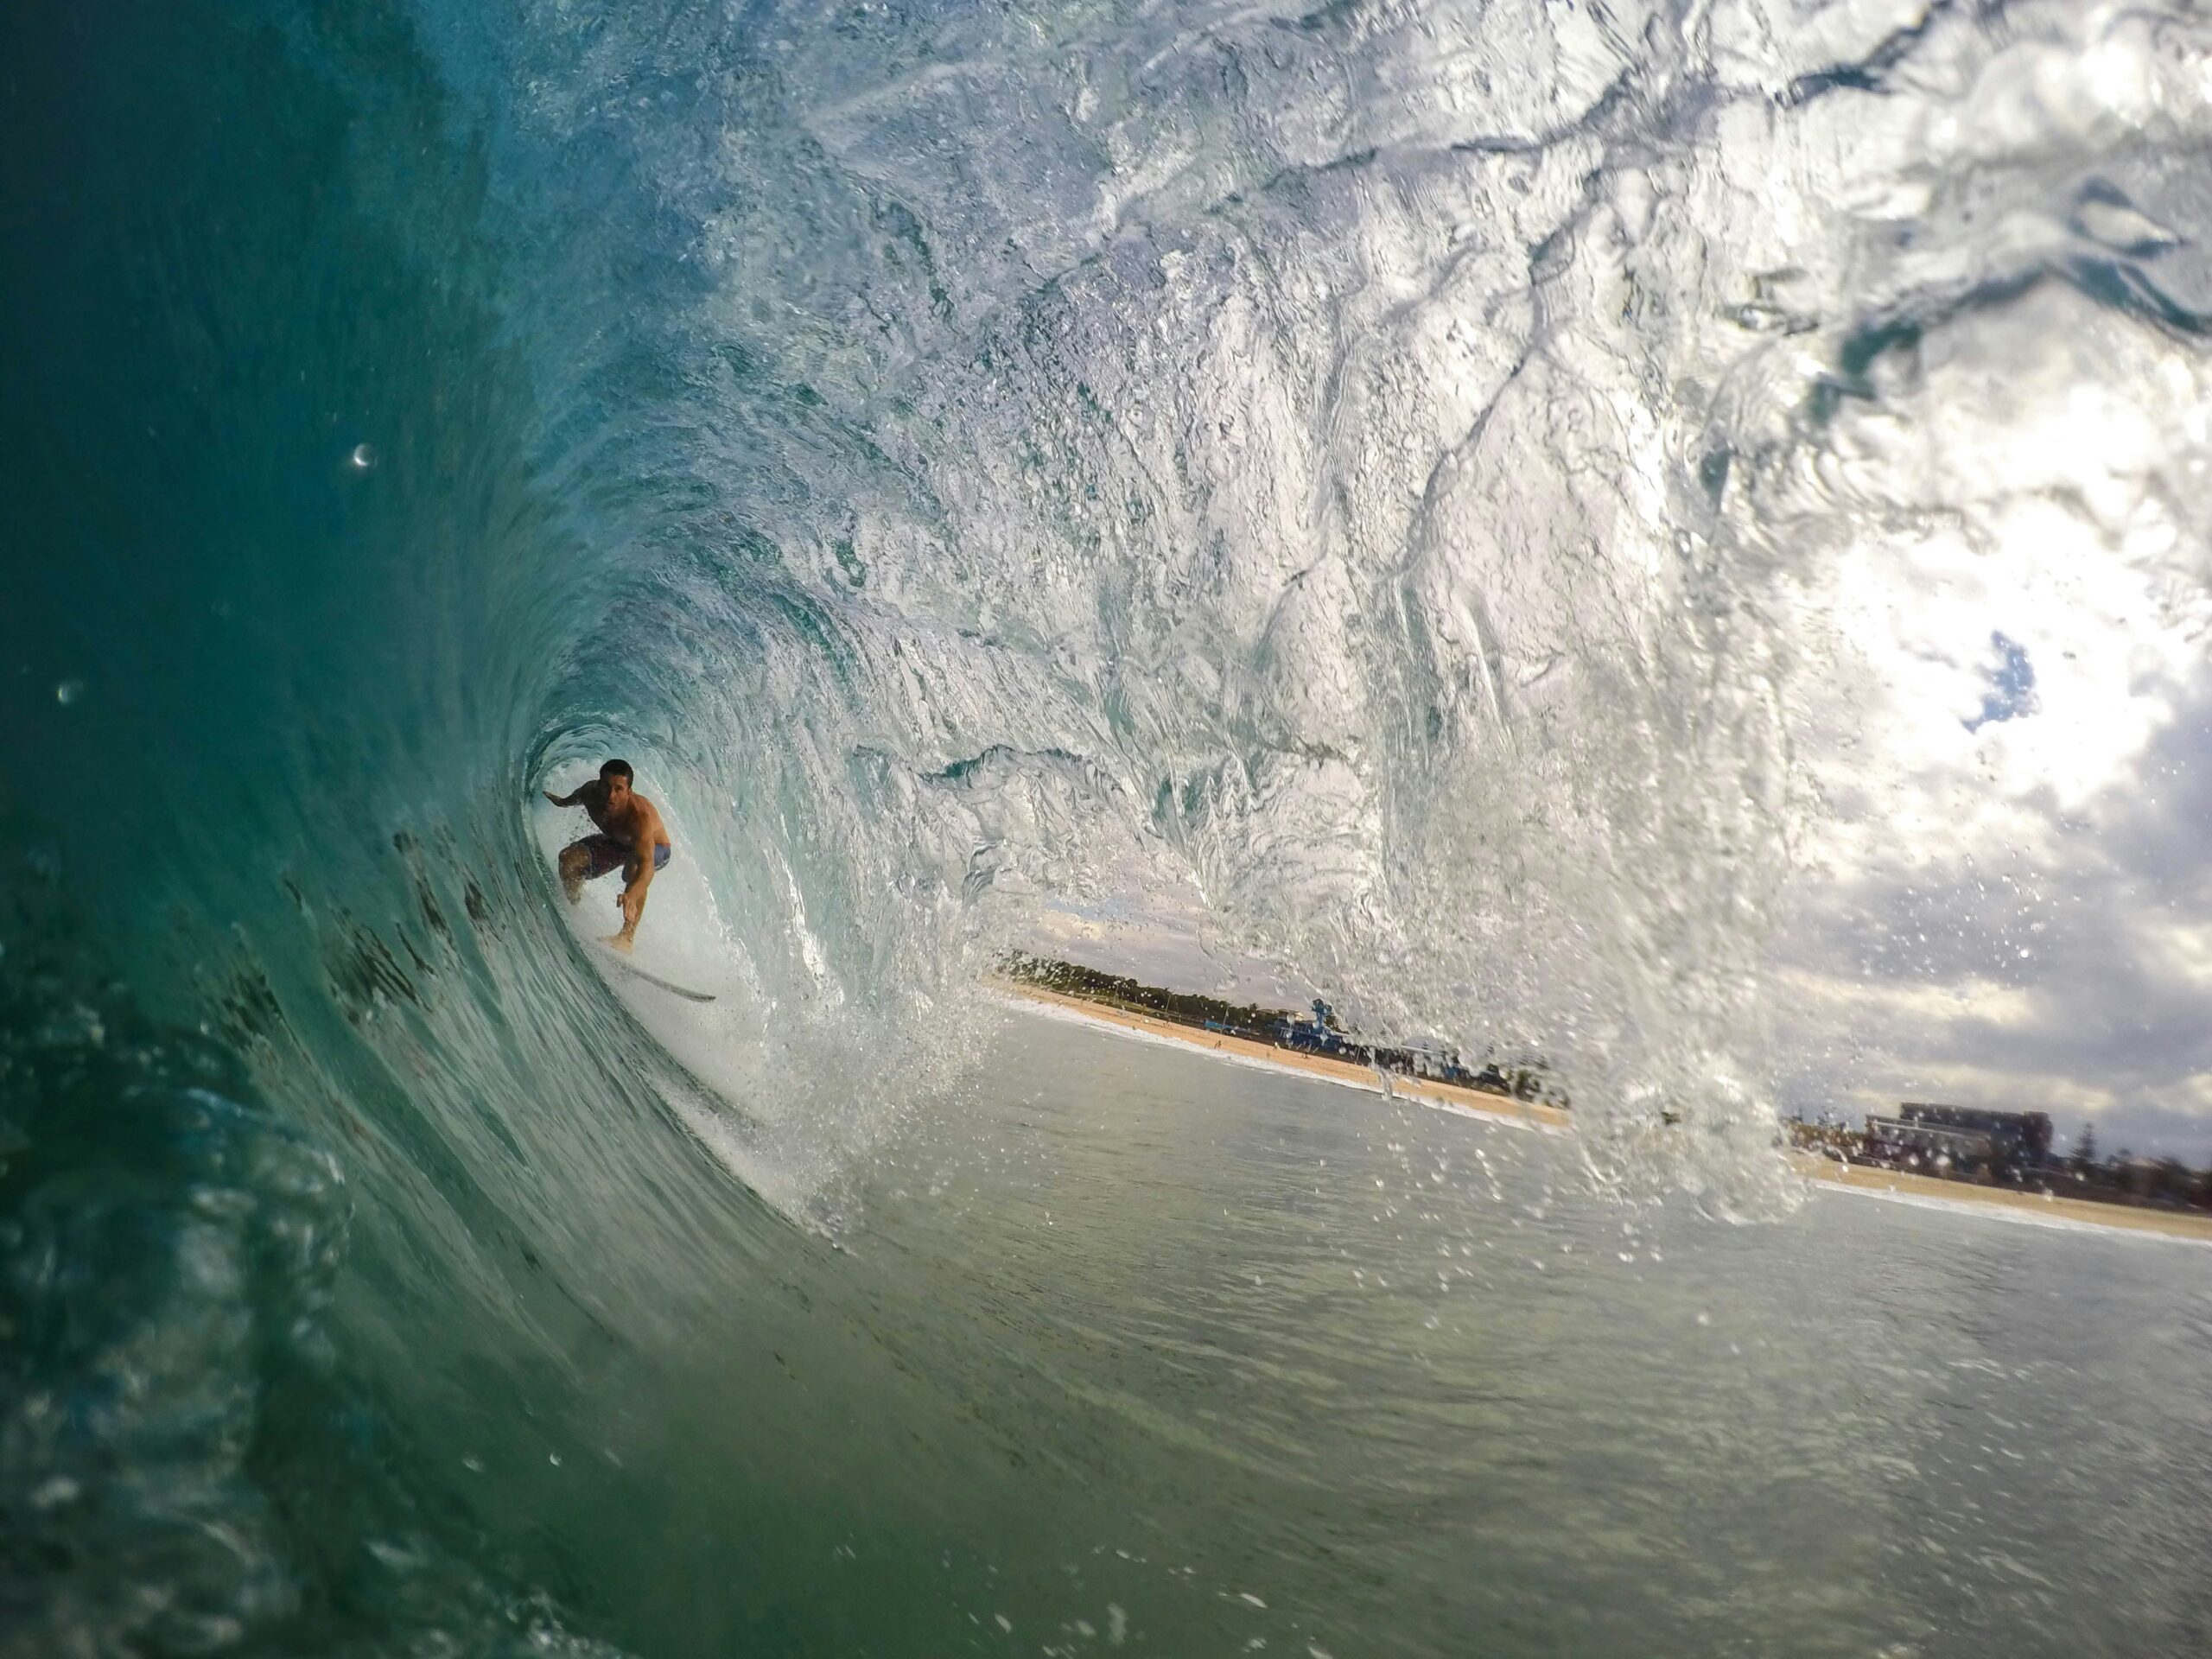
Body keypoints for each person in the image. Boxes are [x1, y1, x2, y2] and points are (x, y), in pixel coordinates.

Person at [543, 760, 673, 953]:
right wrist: (560, 802)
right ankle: (574, 904)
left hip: (657, 849)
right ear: (598, 783)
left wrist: (632, 895)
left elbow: (646, 865)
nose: (610, 795)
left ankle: (626, 937)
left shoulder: (639, 817)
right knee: (568, 859)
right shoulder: (589, 793)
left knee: (633, 869)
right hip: (619, 843)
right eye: (606, 786)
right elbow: (572, 799)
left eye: (619, 789)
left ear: (629, 791)